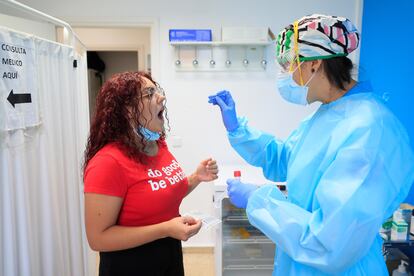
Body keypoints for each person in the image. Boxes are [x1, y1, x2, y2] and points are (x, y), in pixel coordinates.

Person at [209, 14, 414, 275]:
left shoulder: (370, 130)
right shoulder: (329, 113)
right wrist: (237, 129)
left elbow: (331, 243)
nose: (284, 75)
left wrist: (258, 200)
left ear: (314, 64)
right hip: (302, 261)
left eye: (288, 65)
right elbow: (286, 159)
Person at [83, 71, 218, 276]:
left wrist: (196, 177)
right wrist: (165, 229)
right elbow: (98, 238)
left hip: (169, 256)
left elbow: (162, 192)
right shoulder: (107, 163)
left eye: (157, 91)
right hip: (130, 266)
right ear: (127, 111)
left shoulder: (157, 144)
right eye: (149, 94)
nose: (161, 97)